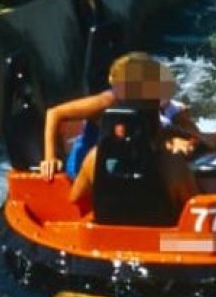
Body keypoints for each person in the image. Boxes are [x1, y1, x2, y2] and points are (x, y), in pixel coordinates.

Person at [37, 52, 199, 208]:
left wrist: (187, 136)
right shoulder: (106, 103)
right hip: (90, 170)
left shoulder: (153, 104)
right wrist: (50, 157)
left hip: (129, 160)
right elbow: (54, 113)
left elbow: (163, 128)